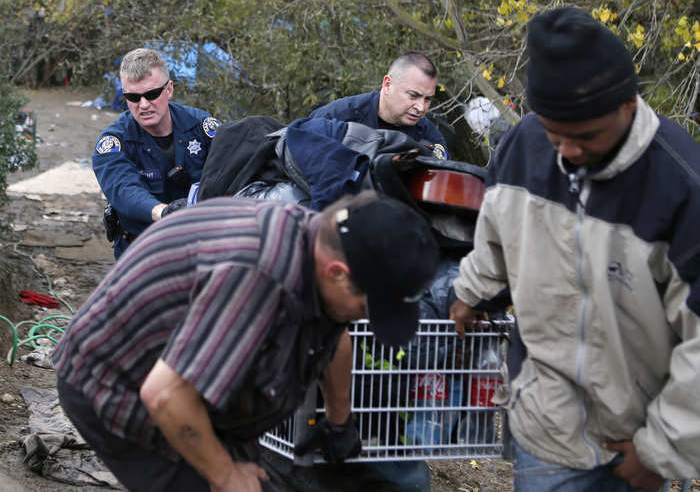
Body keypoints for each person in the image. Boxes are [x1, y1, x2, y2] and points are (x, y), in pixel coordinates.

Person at [449, 6, 700, 492]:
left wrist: (662, 449)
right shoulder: (524, 145)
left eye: (585, 136)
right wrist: (471, 291)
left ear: (628, 104)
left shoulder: (681, 184)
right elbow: (496, 234)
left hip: (634, 437)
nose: (566, 150)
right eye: (553, 134)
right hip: (546, 427)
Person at [53, 191, 440, 492]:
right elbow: (164, 395)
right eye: (367, 307)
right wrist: (224, 475)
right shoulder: (258, 276)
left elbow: (334, 333)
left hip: (191, 387)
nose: (367, 318)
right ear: (337, 272)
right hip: (121, 384)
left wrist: (340, 423)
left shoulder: (324, 242)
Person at [92, 47, 221, 259]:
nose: (143, 105)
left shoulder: (202, 127)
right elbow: (123, 189)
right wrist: (164, 213)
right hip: (141, 251)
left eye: (151, 94)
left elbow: (233, 168)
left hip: (200, 248)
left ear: (169, 89)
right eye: (133, 97)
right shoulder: (113, 143)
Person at [309, 52, 449, 160]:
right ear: (388, 85)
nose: (421, 107)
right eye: (413, 95)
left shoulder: (429, 136)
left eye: (427, 99)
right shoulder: (337, 117)